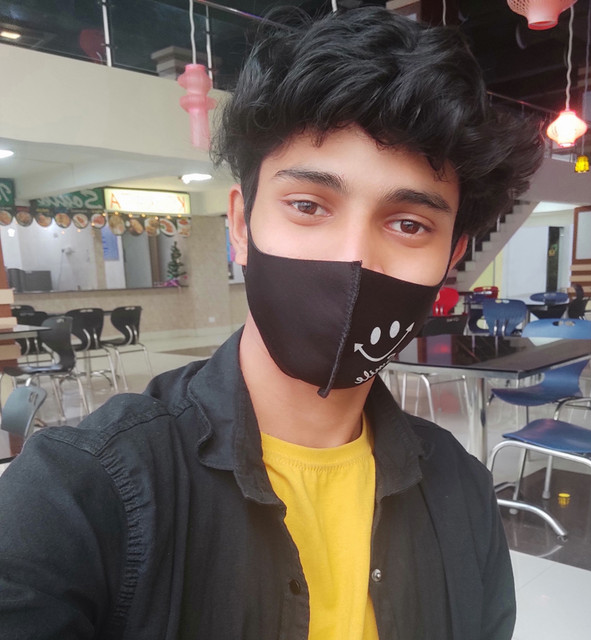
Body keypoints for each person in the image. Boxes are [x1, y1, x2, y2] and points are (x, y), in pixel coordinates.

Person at [0, 7, 543, 640]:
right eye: (308, 205)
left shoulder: (463, 492)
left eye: (408, 223)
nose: (354, 259)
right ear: (241, 225)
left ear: (451, 258)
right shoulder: (79, 493)